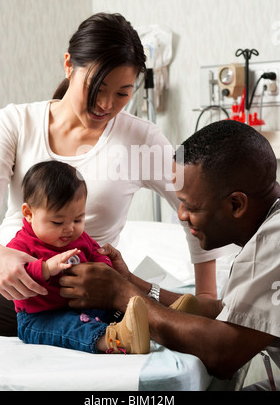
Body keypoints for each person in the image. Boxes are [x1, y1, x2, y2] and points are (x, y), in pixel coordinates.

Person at [0, 12, 221, 337]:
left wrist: (206, 295)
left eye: (123, 93)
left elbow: (196, 206)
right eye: (96, 87)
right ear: (68, 65)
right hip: (8, 258)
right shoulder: (14, 122)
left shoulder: (141, 139)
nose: (106, 105)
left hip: (69, 281)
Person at [59, 120, 280, 389]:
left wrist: (121, 295)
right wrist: (132, 283)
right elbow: (229, 310)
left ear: (236, 204)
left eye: (190, 206)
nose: (181, 215)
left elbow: (222, 351)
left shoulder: (273, 241)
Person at [8, 160, 150, 355]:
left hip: (82, 306)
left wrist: (104, 266)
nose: (69, 228)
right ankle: (115, 339)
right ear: (29, 213)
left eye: (78, 219)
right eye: (58, 222)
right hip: (39, 317)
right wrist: (46, 268)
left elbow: (96, 254)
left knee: (118, 307)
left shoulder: (79, 238)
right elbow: (15, 275)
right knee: (71, 328)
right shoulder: (20, 246)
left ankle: (156, 318)